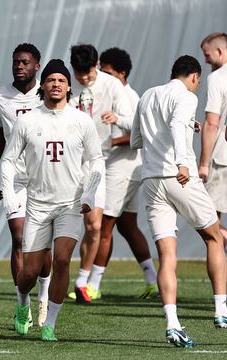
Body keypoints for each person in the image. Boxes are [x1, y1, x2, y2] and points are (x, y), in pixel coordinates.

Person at [0, 59, 103, 341]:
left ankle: (50, 324)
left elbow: (96, 161)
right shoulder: (27, 120)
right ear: (42, 86)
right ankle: (23, 304)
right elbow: (7, 162)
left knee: (61, 259)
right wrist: (9, 195)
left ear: (69, 86)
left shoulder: (81, 120)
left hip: (70, 205)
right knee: (29, 272)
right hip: (37, 206)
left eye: (61, 80)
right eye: (50, 80)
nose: (55, 84)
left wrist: (90, 193)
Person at [131, 55, 227, 348]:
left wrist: (186, 129)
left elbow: (136, 139)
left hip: (151, 181)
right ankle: (222, 311)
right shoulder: (186, 96)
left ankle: (173, 324)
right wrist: (185, 162)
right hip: (178, 176)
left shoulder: (147, 94)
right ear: (195, 77)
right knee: (214, 237)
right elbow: (174, 125)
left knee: (167, 255)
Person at [83, 47, 158, 300]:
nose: (102, 75)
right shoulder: (107, 90)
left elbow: (139, 132)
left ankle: (92, 285)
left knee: (104, 224)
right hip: (129, 166)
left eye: (108, 72)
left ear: (122, 74)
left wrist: (108, 144)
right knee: (127, 226)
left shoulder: (128, 96)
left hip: (123, 167)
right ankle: (152, 280)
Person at [0, 43, 51, 326]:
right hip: (13, 175)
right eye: (16, 62)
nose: (19, 66)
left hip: (45, 176)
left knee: (42, 243)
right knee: (19, 238)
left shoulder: (48, 93)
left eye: (25, 62)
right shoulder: (0, 96)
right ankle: (22, 304)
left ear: (36, 65)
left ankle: (44, 297)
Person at [68, 44, 132, 303]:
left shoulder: (112, 85)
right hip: (67, 163)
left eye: (88, 72)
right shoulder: (64, 86)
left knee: (94, 225)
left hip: (97, 163)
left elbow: (132, 121)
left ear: (96, 66)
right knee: (57, 224)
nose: (83, 78)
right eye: (78, 72)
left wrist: (116, 118)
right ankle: (48, 279)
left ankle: (82, 281)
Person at [199, 33, 227, 247]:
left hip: (221, 158)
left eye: (207, 55)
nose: (205, 60)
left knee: (210, 223)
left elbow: (212, 123)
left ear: (220, 51)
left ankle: (220, 279)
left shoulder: (217, 78)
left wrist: (204, 164)